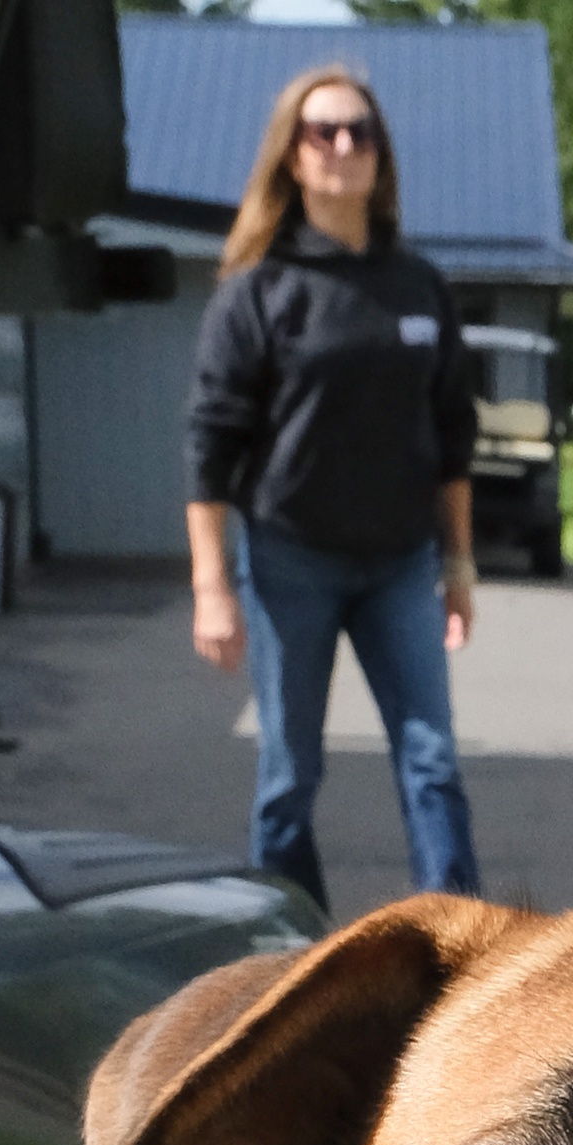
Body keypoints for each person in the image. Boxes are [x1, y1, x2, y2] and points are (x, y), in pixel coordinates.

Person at [183, 67, 483, 905]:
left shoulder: (420, 287)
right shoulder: (257, 293)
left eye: (361, 132)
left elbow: (454, 437)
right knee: (288, 775)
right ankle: (288, 950)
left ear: (381, 156)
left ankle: (460, 950)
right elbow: (209, 445)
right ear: (292, 156)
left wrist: (457, 564)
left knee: (432, 760)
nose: (344, 147)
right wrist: (211, 585)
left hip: (400, 567)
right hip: (293, 566)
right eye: (324, 133)